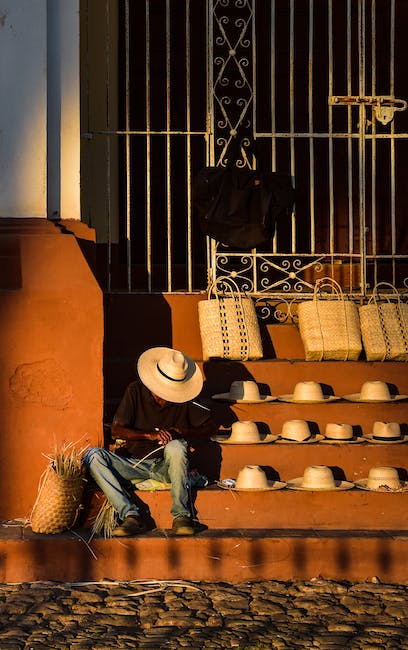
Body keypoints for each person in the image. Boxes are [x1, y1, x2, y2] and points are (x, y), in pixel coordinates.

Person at [83, 347, 217, 537]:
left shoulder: (184, 398)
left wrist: (180, 432)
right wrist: (150, 435)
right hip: (134, 465)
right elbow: (116, 430)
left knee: (177, 447)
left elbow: (211, 427)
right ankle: (131, 515)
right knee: (92, 456)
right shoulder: (135, 390)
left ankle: (182, 515)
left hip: (167, 467)